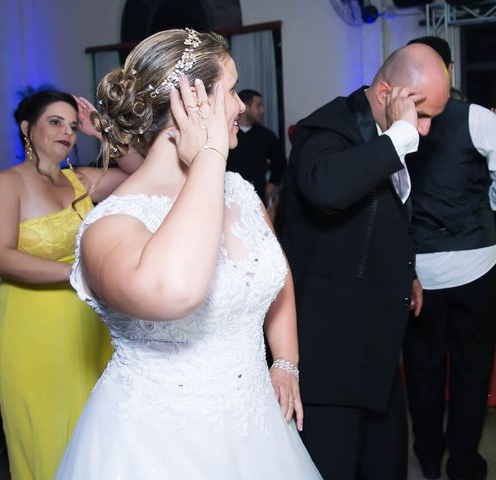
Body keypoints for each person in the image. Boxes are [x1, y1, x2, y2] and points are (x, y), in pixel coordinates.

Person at [55, 28, 321, 479]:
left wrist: (286, 361)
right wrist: (211, 156)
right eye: (231, 91)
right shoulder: (109, 225)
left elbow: (277, 275)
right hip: (158, 444)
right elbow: (177, 291)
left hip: (256, 427)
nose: (239, 106)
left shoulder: (240, 192)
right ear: (190, 104)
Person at [279, 43, 449, 480]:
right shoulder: (327, 128)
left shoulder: (391, 128)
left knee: (386, 465)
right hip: (330, 353)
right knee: (332, 466)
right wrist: (401, 137)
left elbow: (386, 214)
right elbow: (327, 190)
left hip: (376, 346)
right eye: (422, 115)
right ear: (386, 92)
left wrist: (404, 272)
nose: (425, 130)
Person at [403, 36, 496, 480]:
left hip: (419, 271)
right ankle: (464, 461)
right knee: (472, 369)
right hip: (476, 263)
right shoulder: (475, 117)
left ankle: (429, 458)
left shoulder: (390, 124)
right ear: (449, 69)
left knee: (423, 369)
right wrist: (488, 203)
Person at [0, 90, 138, 480]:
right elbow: (2, 257)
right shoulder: (7, 183)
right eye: (55, 122)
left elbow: (141, 174)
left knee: (94, 432)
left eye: (73, 126)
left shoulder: (81, 181)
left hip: (86, 323)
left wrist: (101, 130)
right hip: (31, 325)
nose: (68, 132)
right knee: (46, 432)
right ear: (27, 128)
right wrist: (78, 274)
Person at [227, 89, 286, 216]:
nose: (263, 110)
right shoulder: (227, 133)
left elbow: (281, 165)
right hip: (228, 202)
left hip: (257, 203)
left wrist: (268, 189)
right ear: (246, 107)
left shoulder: (267, 136)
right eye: (258, 106)